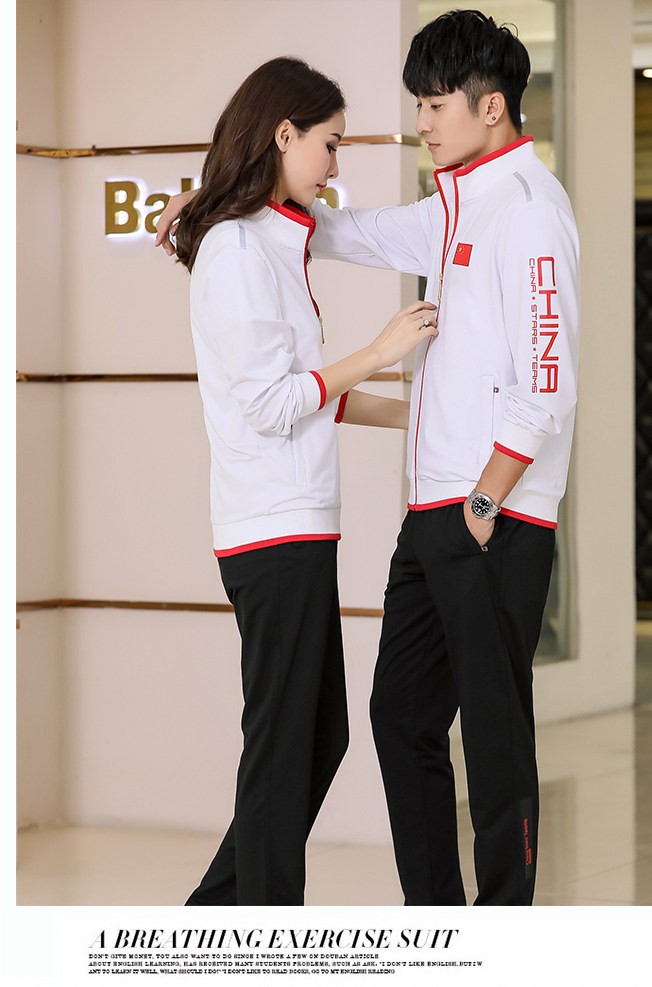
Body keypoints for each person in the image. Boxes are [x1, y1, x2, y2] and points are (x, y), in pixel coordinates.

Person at [157, 10, 579, 907]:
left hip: (493, 513)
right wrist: (217, 199)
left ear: (491, 106)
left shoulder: (533, 210)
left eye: (433, 104)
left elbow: (548, 382)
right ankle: (437, 922)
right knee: (398, 716)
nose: (420, 122)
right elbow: (342, 229)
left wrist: (485, 502)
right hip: (431, 517)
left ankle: (505, 932)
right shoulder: (451, 207)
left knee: (495, 735)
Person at [167, 55, 437, 907]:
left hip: (299, 527)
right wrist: (380, 352)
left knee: (314, 741)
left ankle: (212, 920)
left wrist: (420, 418)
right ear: (283, 134)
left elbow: (312, 396)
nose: (334, 164)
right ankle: (256, 938)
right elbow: (272, 402)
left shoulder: (272, 239)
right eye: (330, 143)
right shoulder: (236, 250)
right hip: (270, 531)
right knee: (287, 747)